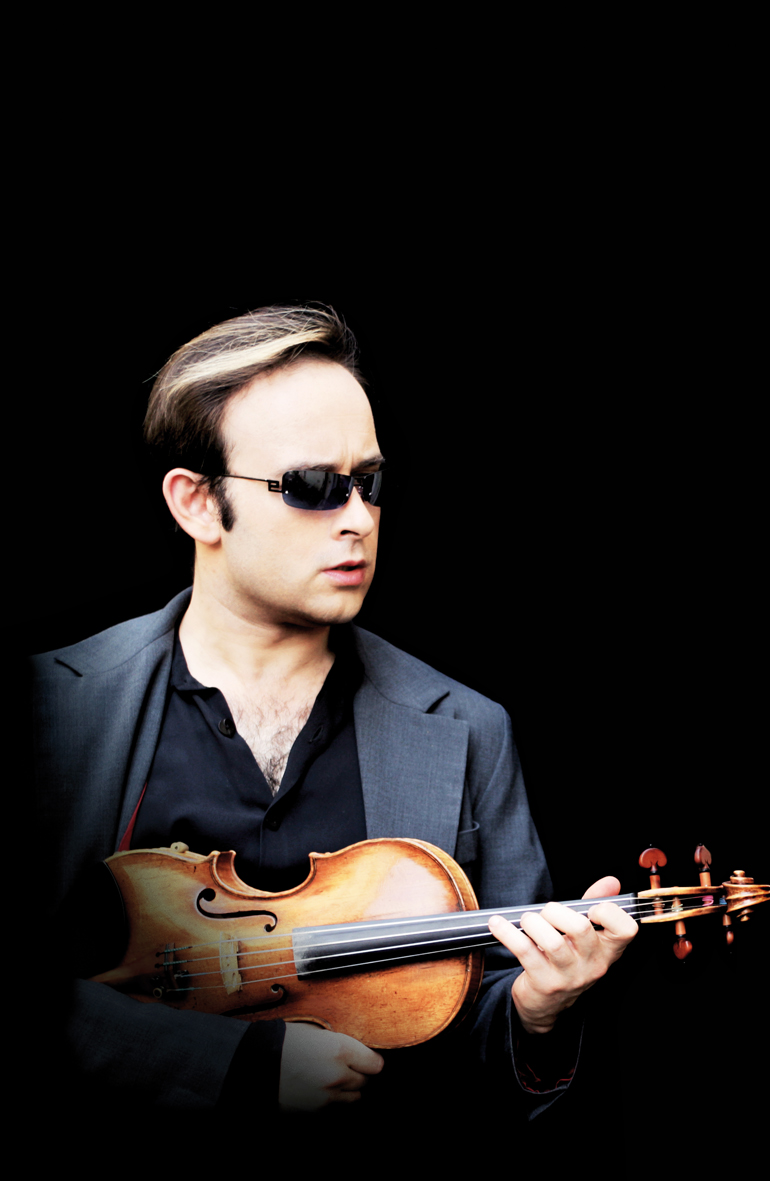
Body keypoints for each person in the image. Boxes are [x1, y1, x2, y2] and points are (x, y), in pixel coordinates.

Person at [32, 305, 637, 1117]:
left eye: (370, 482)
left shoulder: (469, 729)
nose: (358, 517)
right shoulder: (51, 705)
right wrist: (237, 1066)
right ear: (197, 503)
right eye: (313, 486)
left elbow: (482, 1046)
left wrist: (536, 1008)